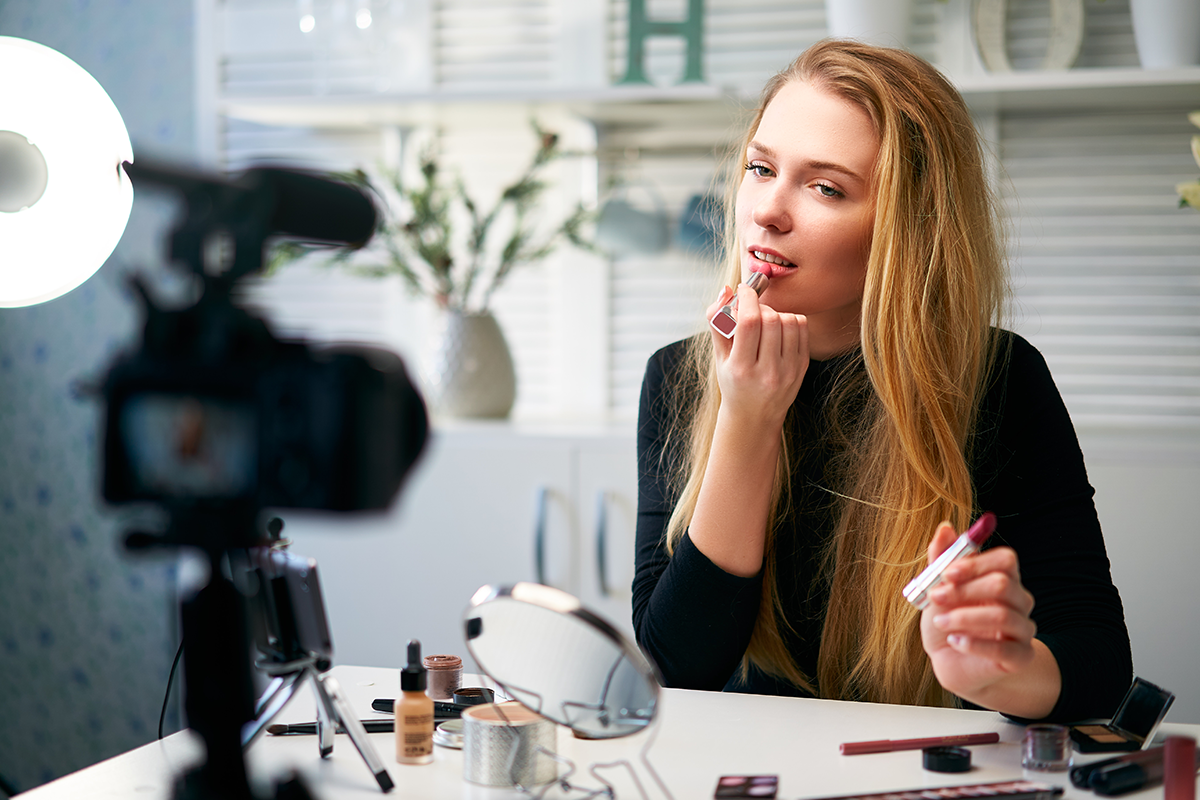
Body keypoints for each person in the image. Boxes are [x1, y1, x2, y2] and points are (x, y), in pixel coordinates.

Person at [632, 39, 1131, 722]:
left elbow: (1098, 664)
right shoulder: (677, 378)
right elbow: (675, 667)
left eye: (825, 187)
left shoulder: (999, 378)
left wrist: (1002, 674)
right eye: (760, 167)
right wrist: (747, 419)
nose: (768, 211)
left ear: (910, 224)